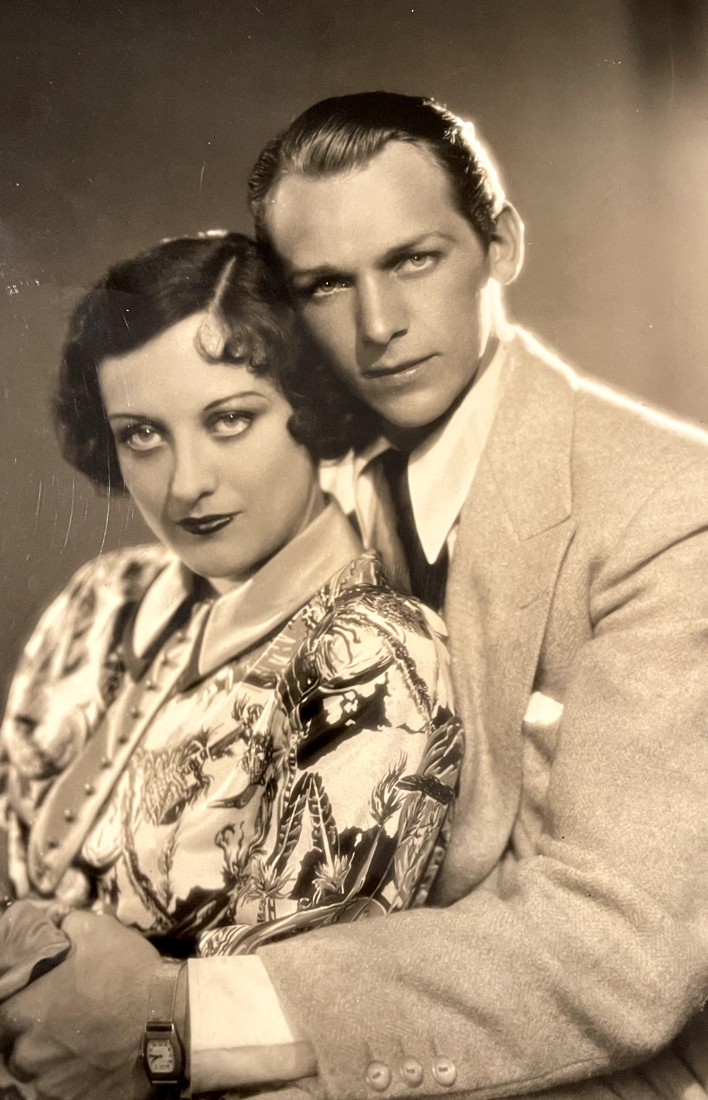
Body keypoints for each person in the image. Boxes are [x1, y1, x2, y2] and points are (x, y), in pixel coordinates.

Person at [143, 93, 708, 1100]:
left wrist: (185, 1016)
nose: (379, 325)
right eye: (325, 284)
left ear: (502, 245)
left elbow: (622, 951)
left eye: (415, 259)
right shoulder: (290, 494)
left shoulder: (667, 508)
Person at [0, 231, 463, 1100]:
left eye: (230, 419)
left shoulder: (372, 657)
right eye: (143, 434)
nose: (186, 481)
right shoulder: (102, 596)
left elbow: (255, 1030)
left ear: (313, 408)